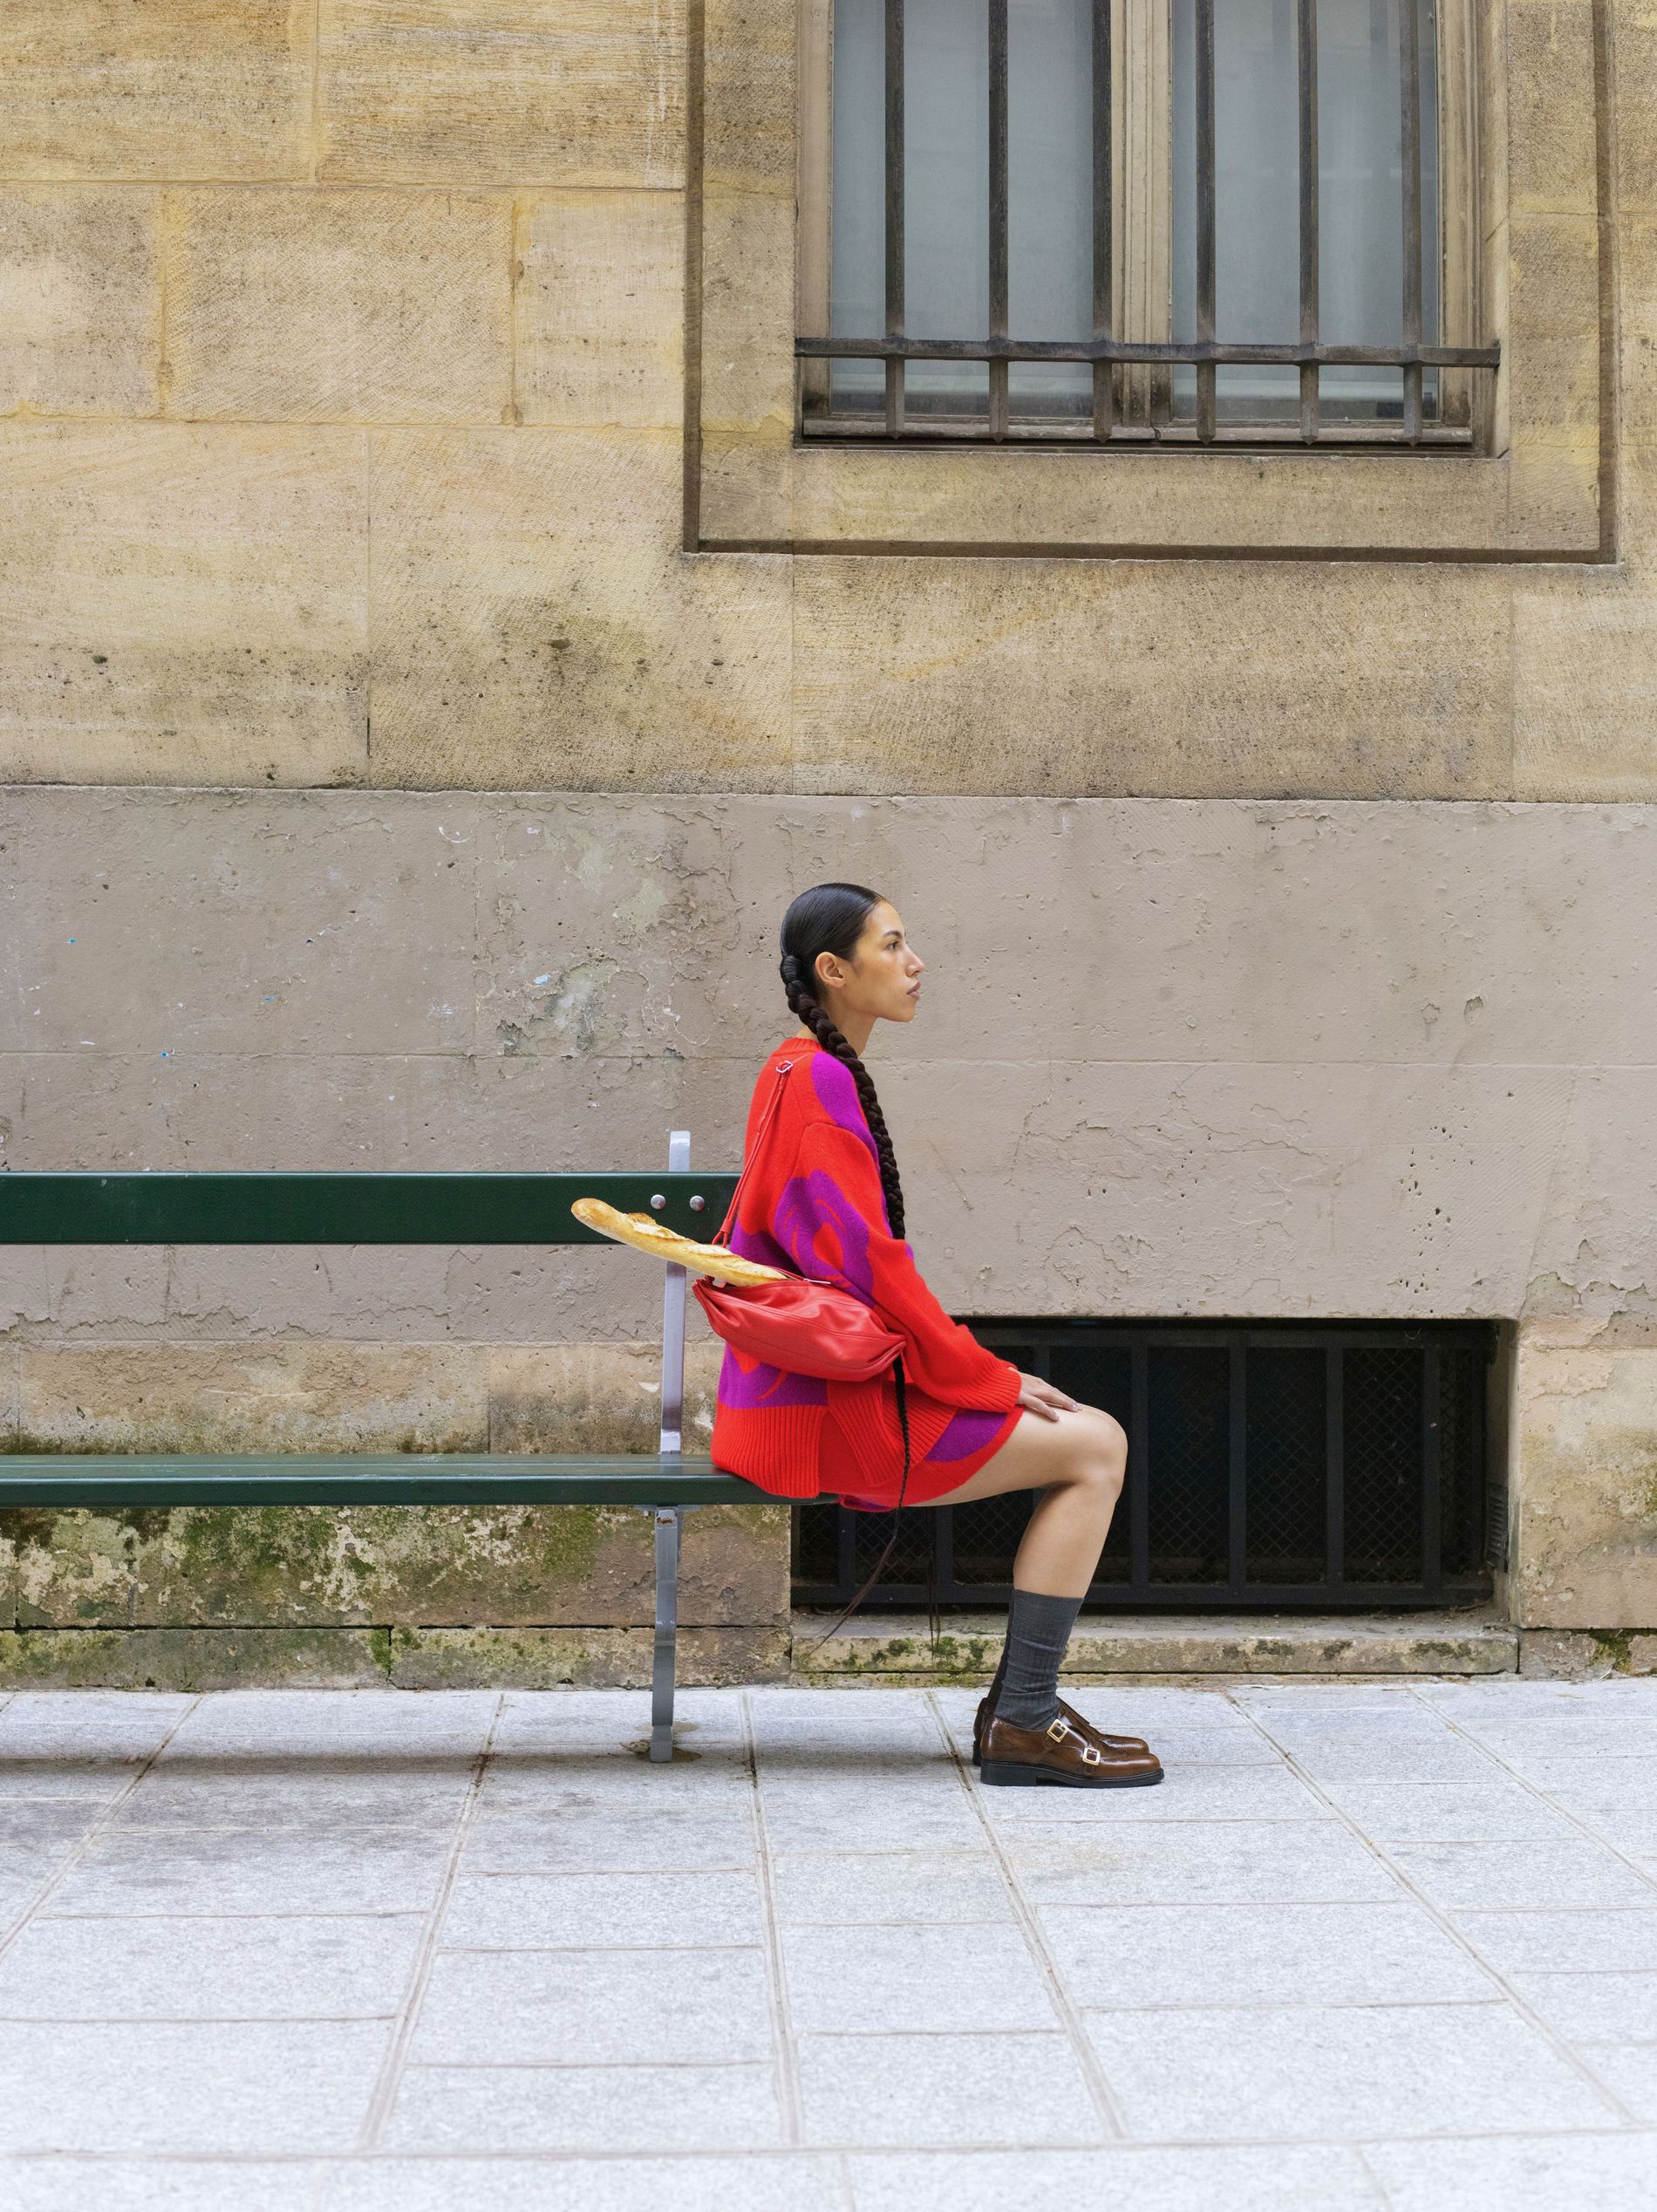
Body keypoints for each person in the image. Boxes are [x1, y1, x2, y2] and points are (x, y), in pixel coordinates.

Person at [710, 882, 1162, 1789]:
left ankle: (1024, 1714)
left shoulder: (798, 1070)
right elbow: (870, 1266)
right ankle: (1025, 1720)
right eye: (892, 944)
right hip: (828, 1413)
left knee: (1086, 1439)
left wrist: (968, 1372)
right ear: (834, 971)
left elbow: (849, 1266)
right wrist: (983, 1376)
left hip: (794, 1396)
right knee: (1097, 1446)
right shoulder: (817, 1080)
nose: (915, 963)